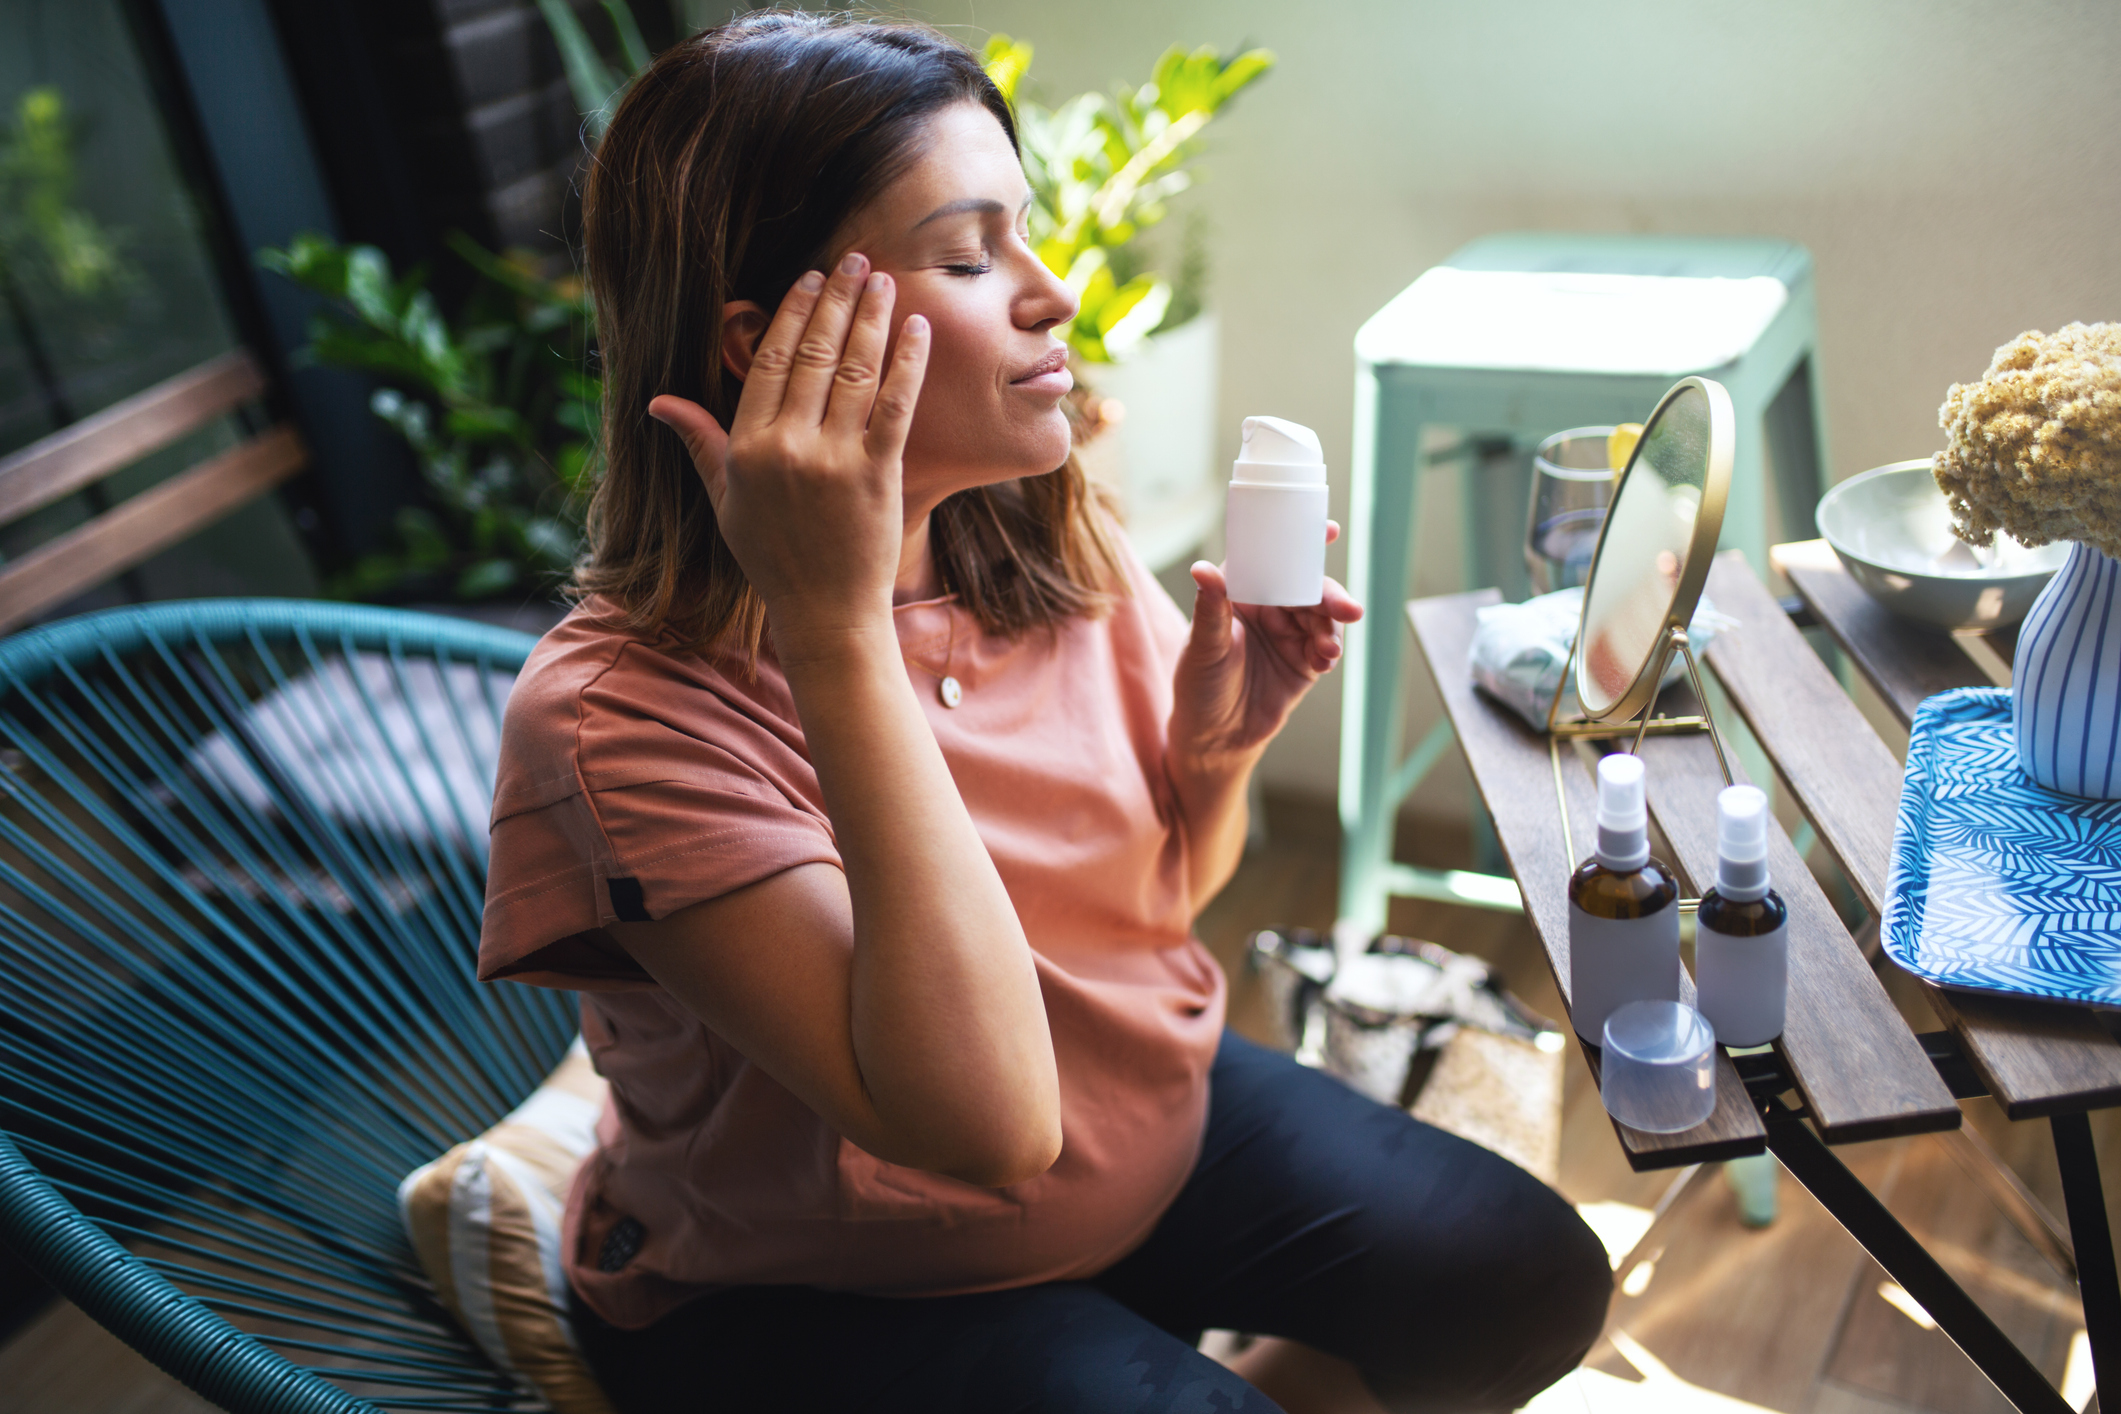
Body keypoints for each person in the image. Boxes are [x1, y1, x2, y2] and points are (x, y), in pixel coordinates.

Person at [478, 13, 1610, 1412]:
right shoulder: (619, 718)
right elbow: (986, 1128)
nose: (1054, 292)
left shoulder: (1030, 536)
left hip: (1132, 1144)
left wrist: (1214, 758)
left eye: (1025, 234)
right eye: (968, 255)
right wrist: (837, 633)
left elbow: (1161, 907)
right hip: (815, 1291)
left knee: (1525, 1272)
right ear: (773, 345)